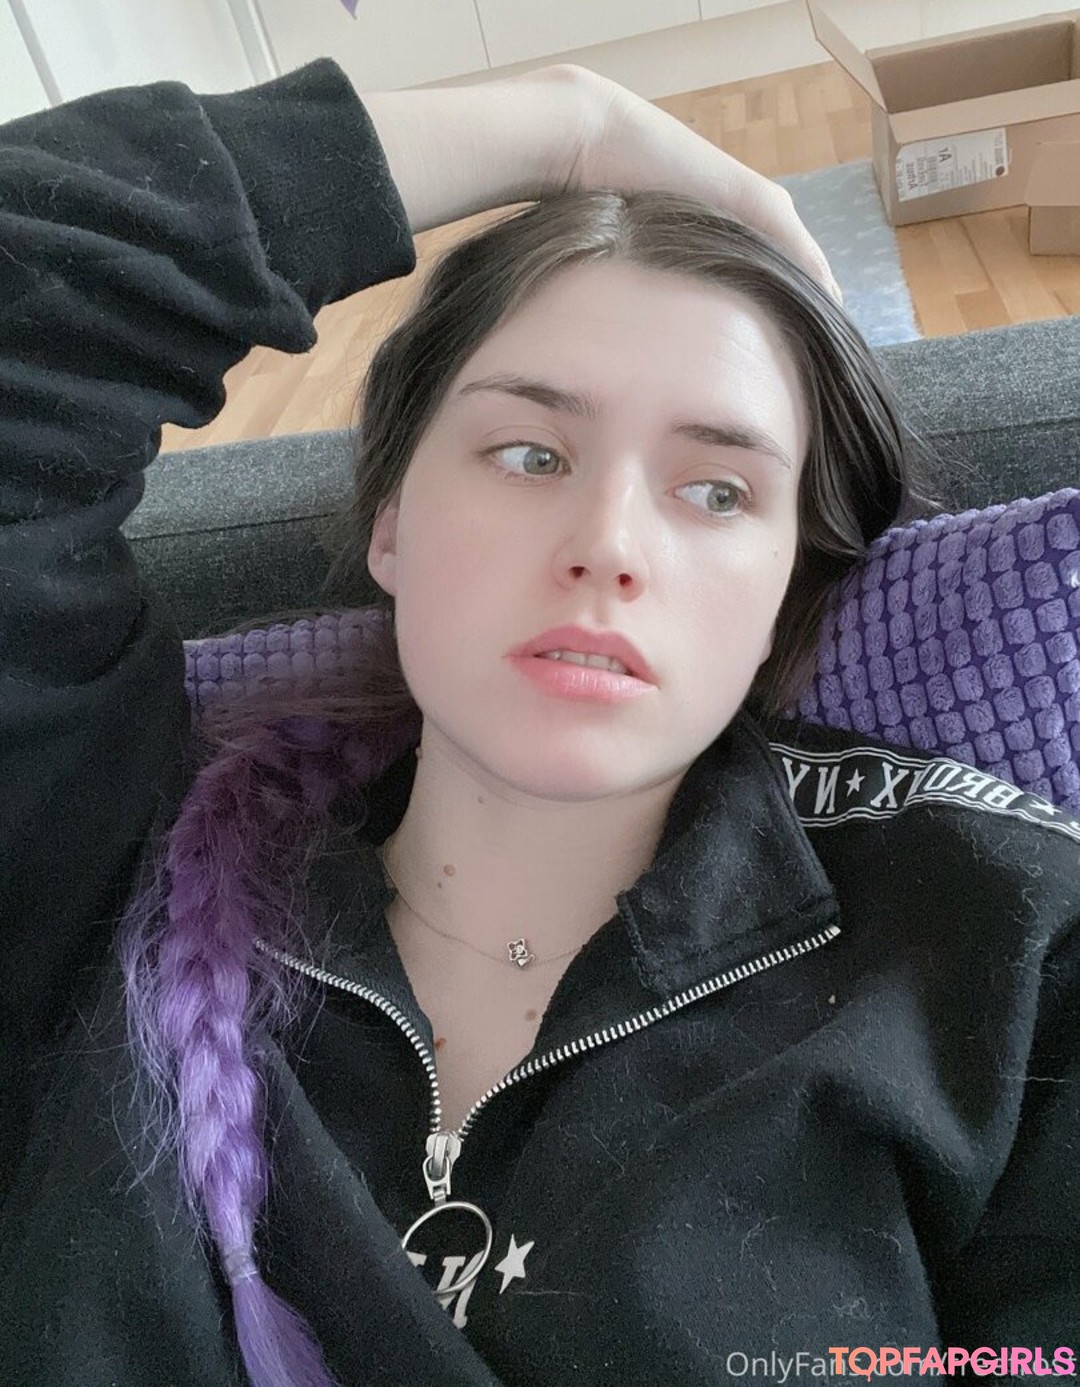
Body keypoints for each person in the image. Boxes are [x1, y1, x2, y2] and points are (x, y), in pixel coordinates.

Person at [0, 54, 1076, 1387]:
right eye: (530, 454)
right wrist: (563, 120)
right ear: (392, 523)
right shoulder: (104, 868)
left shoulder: (1005, 946)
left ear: (787, 591)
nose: (608, 544)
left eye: (719, 491)